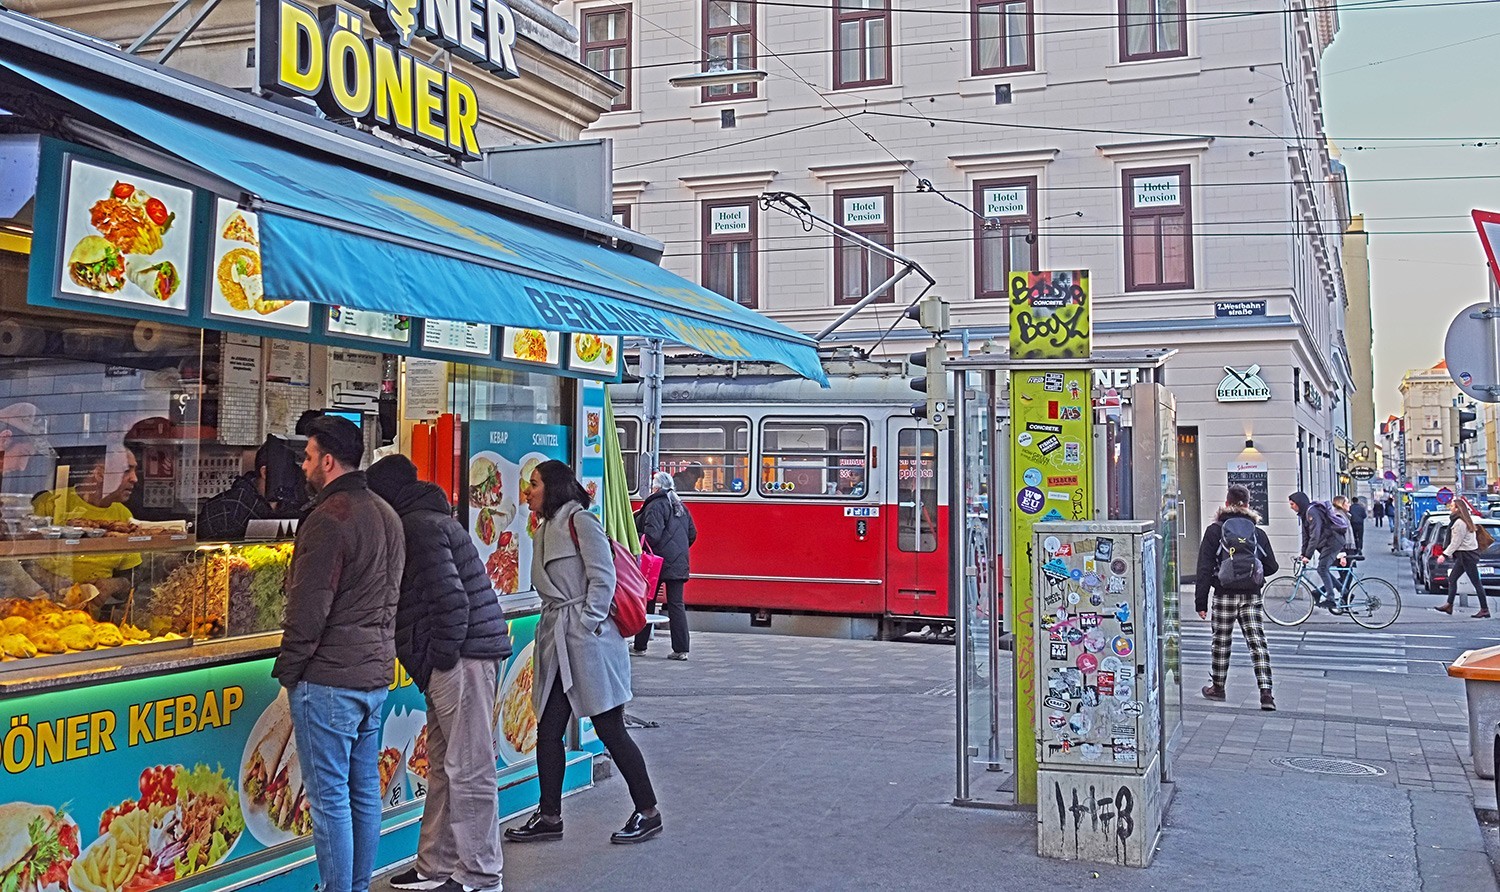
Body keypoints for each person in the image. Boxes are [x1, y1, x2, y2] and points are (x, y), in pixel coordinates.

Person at [273, 416, 405, 892]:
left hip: (329, 679)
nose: (304, 466)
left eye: (308, 457)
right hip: (373, 675)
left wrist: (289, 671)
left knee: (330, 801)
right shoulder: (386, 514)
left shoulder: (329, 519)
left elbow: (308, 611)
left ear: (327, 461)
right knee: (363, 793)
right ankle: (357, 885)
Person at [368, 455, 511, 892]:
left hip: (463, 658)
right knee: (446, 768)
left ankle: (481, 874)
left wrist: (440, 660)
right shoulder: (428, 518)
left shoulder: (418, 528)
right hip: (458, 657)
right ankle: (436, 866)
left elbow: (452, 602)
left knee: (468, 768)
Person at [505, 460, 662, 846]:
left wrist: (588, 622)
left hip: (587, 641)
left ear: (554, 488)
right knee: (548, 730)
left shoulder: (581, 522)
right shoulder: (543, 528)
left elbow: (603, 577)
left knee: (610, 729)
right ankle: (549, 815)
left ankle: (648, 811)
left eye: (535, 484)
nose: (527, 492)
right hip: (559, 641)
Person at [1195, 484, 1280, 711]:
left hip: (1223, 595)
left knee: (1221, 642)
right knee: (1257, 642)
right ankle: (1266, 693)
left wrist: (1200, 601)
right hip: (1251, 596)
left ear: (1226, 502)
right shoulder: (1257, 532)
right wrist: (1252, 576)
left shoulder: (1215, 531)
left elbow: (1204, 568)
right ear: (1248, 504)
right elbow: (1272, 565)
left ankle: (1218, 687)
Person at [31, 445, 141, 607]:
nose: (134, 478)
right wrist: (52, 583)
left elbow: (134, 575)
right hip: (42, 609)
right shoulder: (51, 503)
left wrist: (114, 584)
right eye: (126, 470)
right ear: (99, 473)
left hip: (95, 619)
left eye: (134, 471)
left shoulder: (123, 517)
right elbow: (20, 560)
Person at [633, 471, 697, 660]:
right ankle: (681, 650)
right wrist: (678, 552)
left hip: (656, 564)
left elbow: (652, 536)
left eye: (653, 485)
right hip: (678, 563)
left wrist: (634, 537)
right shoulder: (681, 506)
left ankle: (640, 646)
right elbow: (692, 534)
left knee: (648, 603)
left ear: (657, 487)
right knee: (677, 605)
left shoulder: (655, 505)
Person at [1289, 491, 1347, 610]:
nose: (1291, 507)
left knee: (1322, 568)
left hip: (1333, 541)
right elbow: (1306, 537)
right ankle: (1344, 592)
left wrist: (1308, 556)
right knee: (1323, 569)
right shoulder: (1304, 513)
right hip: (1327, 542)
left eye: (1292, 504)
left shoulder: (1312, 512)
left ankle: (1331, 599)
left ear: (1299, 503)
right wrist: (1303, 554)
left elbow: (1315, 535)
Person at [1435, 498, 1490, 618]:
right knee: (1453, 578)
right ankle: (1449, 605)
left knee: (1476, 583)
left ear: (1457, 509)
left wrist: (1444, 555)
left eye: (1452, 506)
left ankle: (1484, 609)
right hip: (1465, 555)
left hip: (1466, 556)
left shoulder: (1459, 523)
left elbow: (1456, 542)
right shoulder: (1463, 520)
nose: (1450, 508)